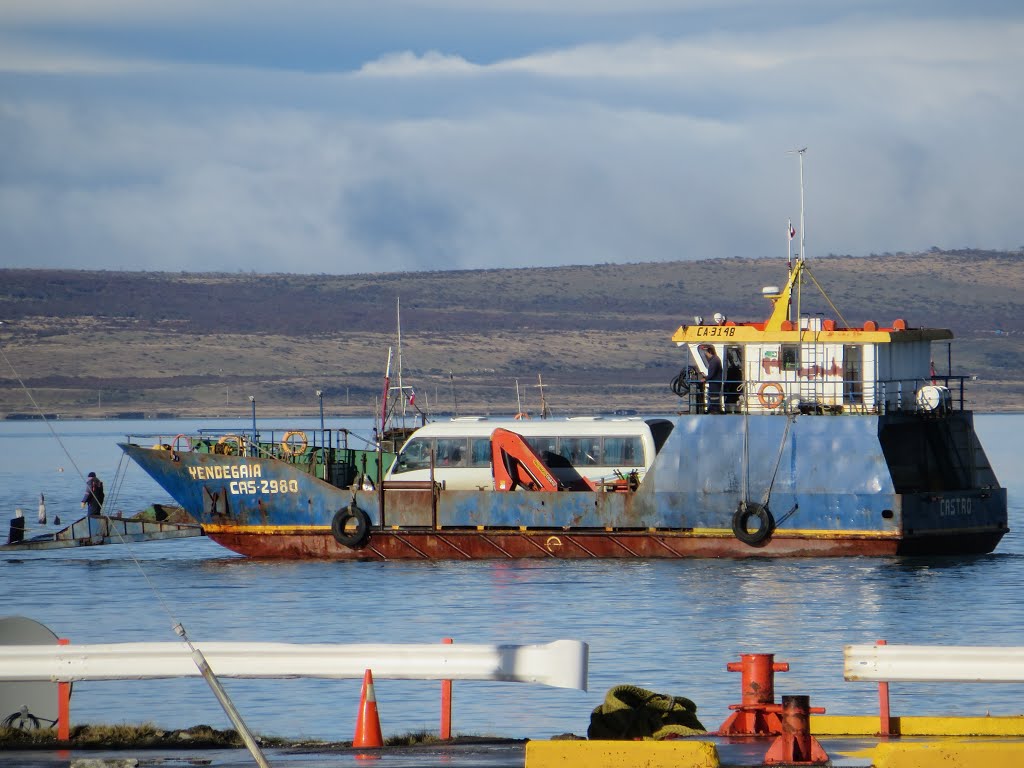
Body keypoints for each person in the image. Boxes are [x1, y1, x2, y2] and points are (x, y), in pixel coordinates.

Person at [704, 345, 723, 413]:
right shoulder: (715, 359)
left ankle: (715, 409)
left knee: (714, 396)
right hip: (715, 382)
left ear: (709, 352)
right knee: (713, 396)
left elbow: (712, 373)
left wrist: (705, 379)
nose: (706, 355)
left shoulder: (714, 361)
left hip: (715, 382)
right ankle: (713, 408)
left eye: (706, 353)